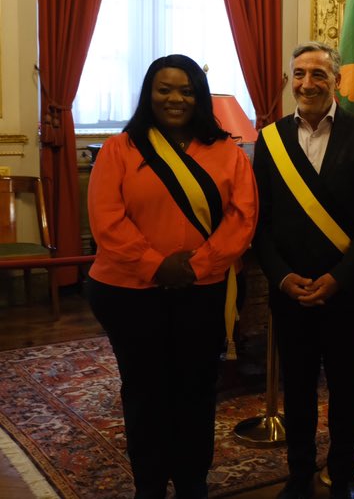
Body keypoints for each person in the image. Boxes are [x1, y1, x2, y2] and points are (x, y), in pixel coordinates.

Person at [87, 54, 257, 499]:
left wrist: (200, 265)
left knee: (197, 390)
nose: (175, 98)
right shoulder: (118, 149)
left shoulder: (227, 152)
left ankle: (191, 481)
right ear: (149, 94)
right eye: (164, 89)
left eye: (186, 89)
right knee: (144, 391)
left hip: (201, 291)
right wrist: (155, 264)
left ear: (199, 96)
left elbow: (243, 217)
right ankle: (149, 483)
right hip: (129, 293)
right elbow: (106, 220)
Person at [253, 43, 354, 499]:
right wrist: (282, 277)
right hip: (291, 292)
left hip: (343, 291)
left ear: (337, 82)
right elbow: (259, 222)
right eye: (299, 74)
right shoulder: (269, 141)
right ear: (290, 80)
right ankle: (299, 475)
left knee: (347, 391)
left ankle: (343, 475)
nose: (307, 83)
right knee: (300, 392)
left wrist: (341, 277)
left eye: (319, 75)